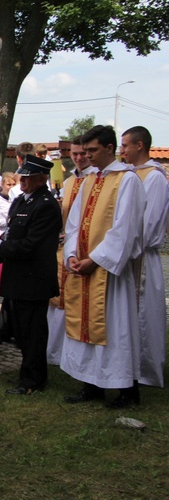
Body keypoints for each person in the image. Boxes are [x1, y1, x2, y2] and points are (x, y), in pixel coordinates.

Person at [61, 125, 146, 408]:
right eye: (85, 151)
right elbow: (73, 223)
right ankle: (91, 384)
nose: (87, 156)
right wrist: (72, 253)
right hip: (83, 266)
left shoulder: (128, 181)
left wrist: (96, 259)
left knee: (116, 328)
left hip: (109, 272)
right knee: (85, 327)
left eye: (93, 150)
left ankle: (126, 389)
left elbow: (127, 227)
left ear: (110, 149)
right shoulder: (88, 181)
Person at [0, 155, 62, 395]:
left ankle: (33, 380)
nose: (23, 180)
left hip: (33, 280)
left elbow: (31, 245)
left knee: (33, 334)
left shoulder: (46, 205)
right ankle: (26, 373)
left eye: (28, 177)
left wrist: (1, 248)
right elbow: (11, 235)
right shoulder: (20, 201)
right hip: (16, 278)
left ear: (41, 178)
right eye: (23, 176)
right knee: (19, 332)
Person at [120, 125, 169, 388]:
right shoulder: (129, 174)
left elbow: (149, 224)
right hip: (126, 256)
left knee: (144, 315)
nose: (121, 150)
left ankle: (147, 370)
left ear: (140, 145)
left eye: (125, 145)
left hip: (143, 257)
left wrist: (128, 245)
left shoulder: (155, 177)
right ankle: (127, 366)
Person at [45, 136, 97, 365]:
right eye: (74, 154)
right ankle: (55, 352)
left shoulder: (97, 179)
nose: (78, 158)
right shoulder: (67, 182)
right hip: (63, 248)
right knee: (56, 300)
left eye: (82, 153)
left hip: (86, 250)